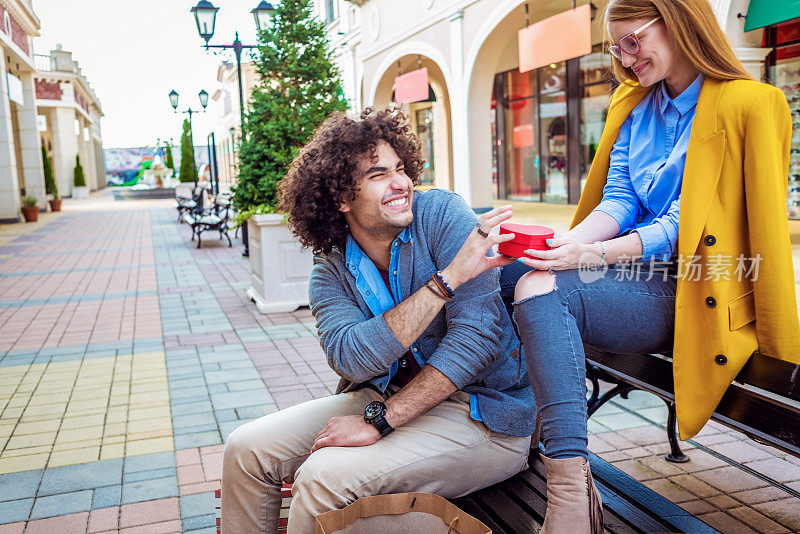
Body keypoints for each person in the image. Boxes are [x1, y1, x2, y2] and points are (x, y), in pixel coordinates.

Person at [506, 0, 800, 532]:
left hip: (694, 286)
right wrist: (565, 245)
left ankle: (568, 493)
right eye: (615, 46)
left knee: (543, 290)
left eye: (632, 41)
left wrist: (588, 256)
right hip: (631, 277)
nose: (624, 57)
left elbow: (684, 227)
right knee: (514, 274)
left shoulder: (751, 104)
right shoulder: (635, 105)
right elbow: (618, 200)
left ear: (677, 20)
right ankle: (535, 453)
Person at [220, 108, 537, 533]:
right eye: (378, 174)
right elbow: (351, 359)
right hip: (392, 395)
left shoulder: (443, 216)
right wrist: (445, 282)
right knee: (245, 449)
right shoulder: (331, 269)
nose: (401, 183)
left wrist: (380, 420)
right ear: (341, 198)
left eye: (401, 169)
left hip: (485, 415)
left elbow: (475, 340)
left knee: (320, 479)